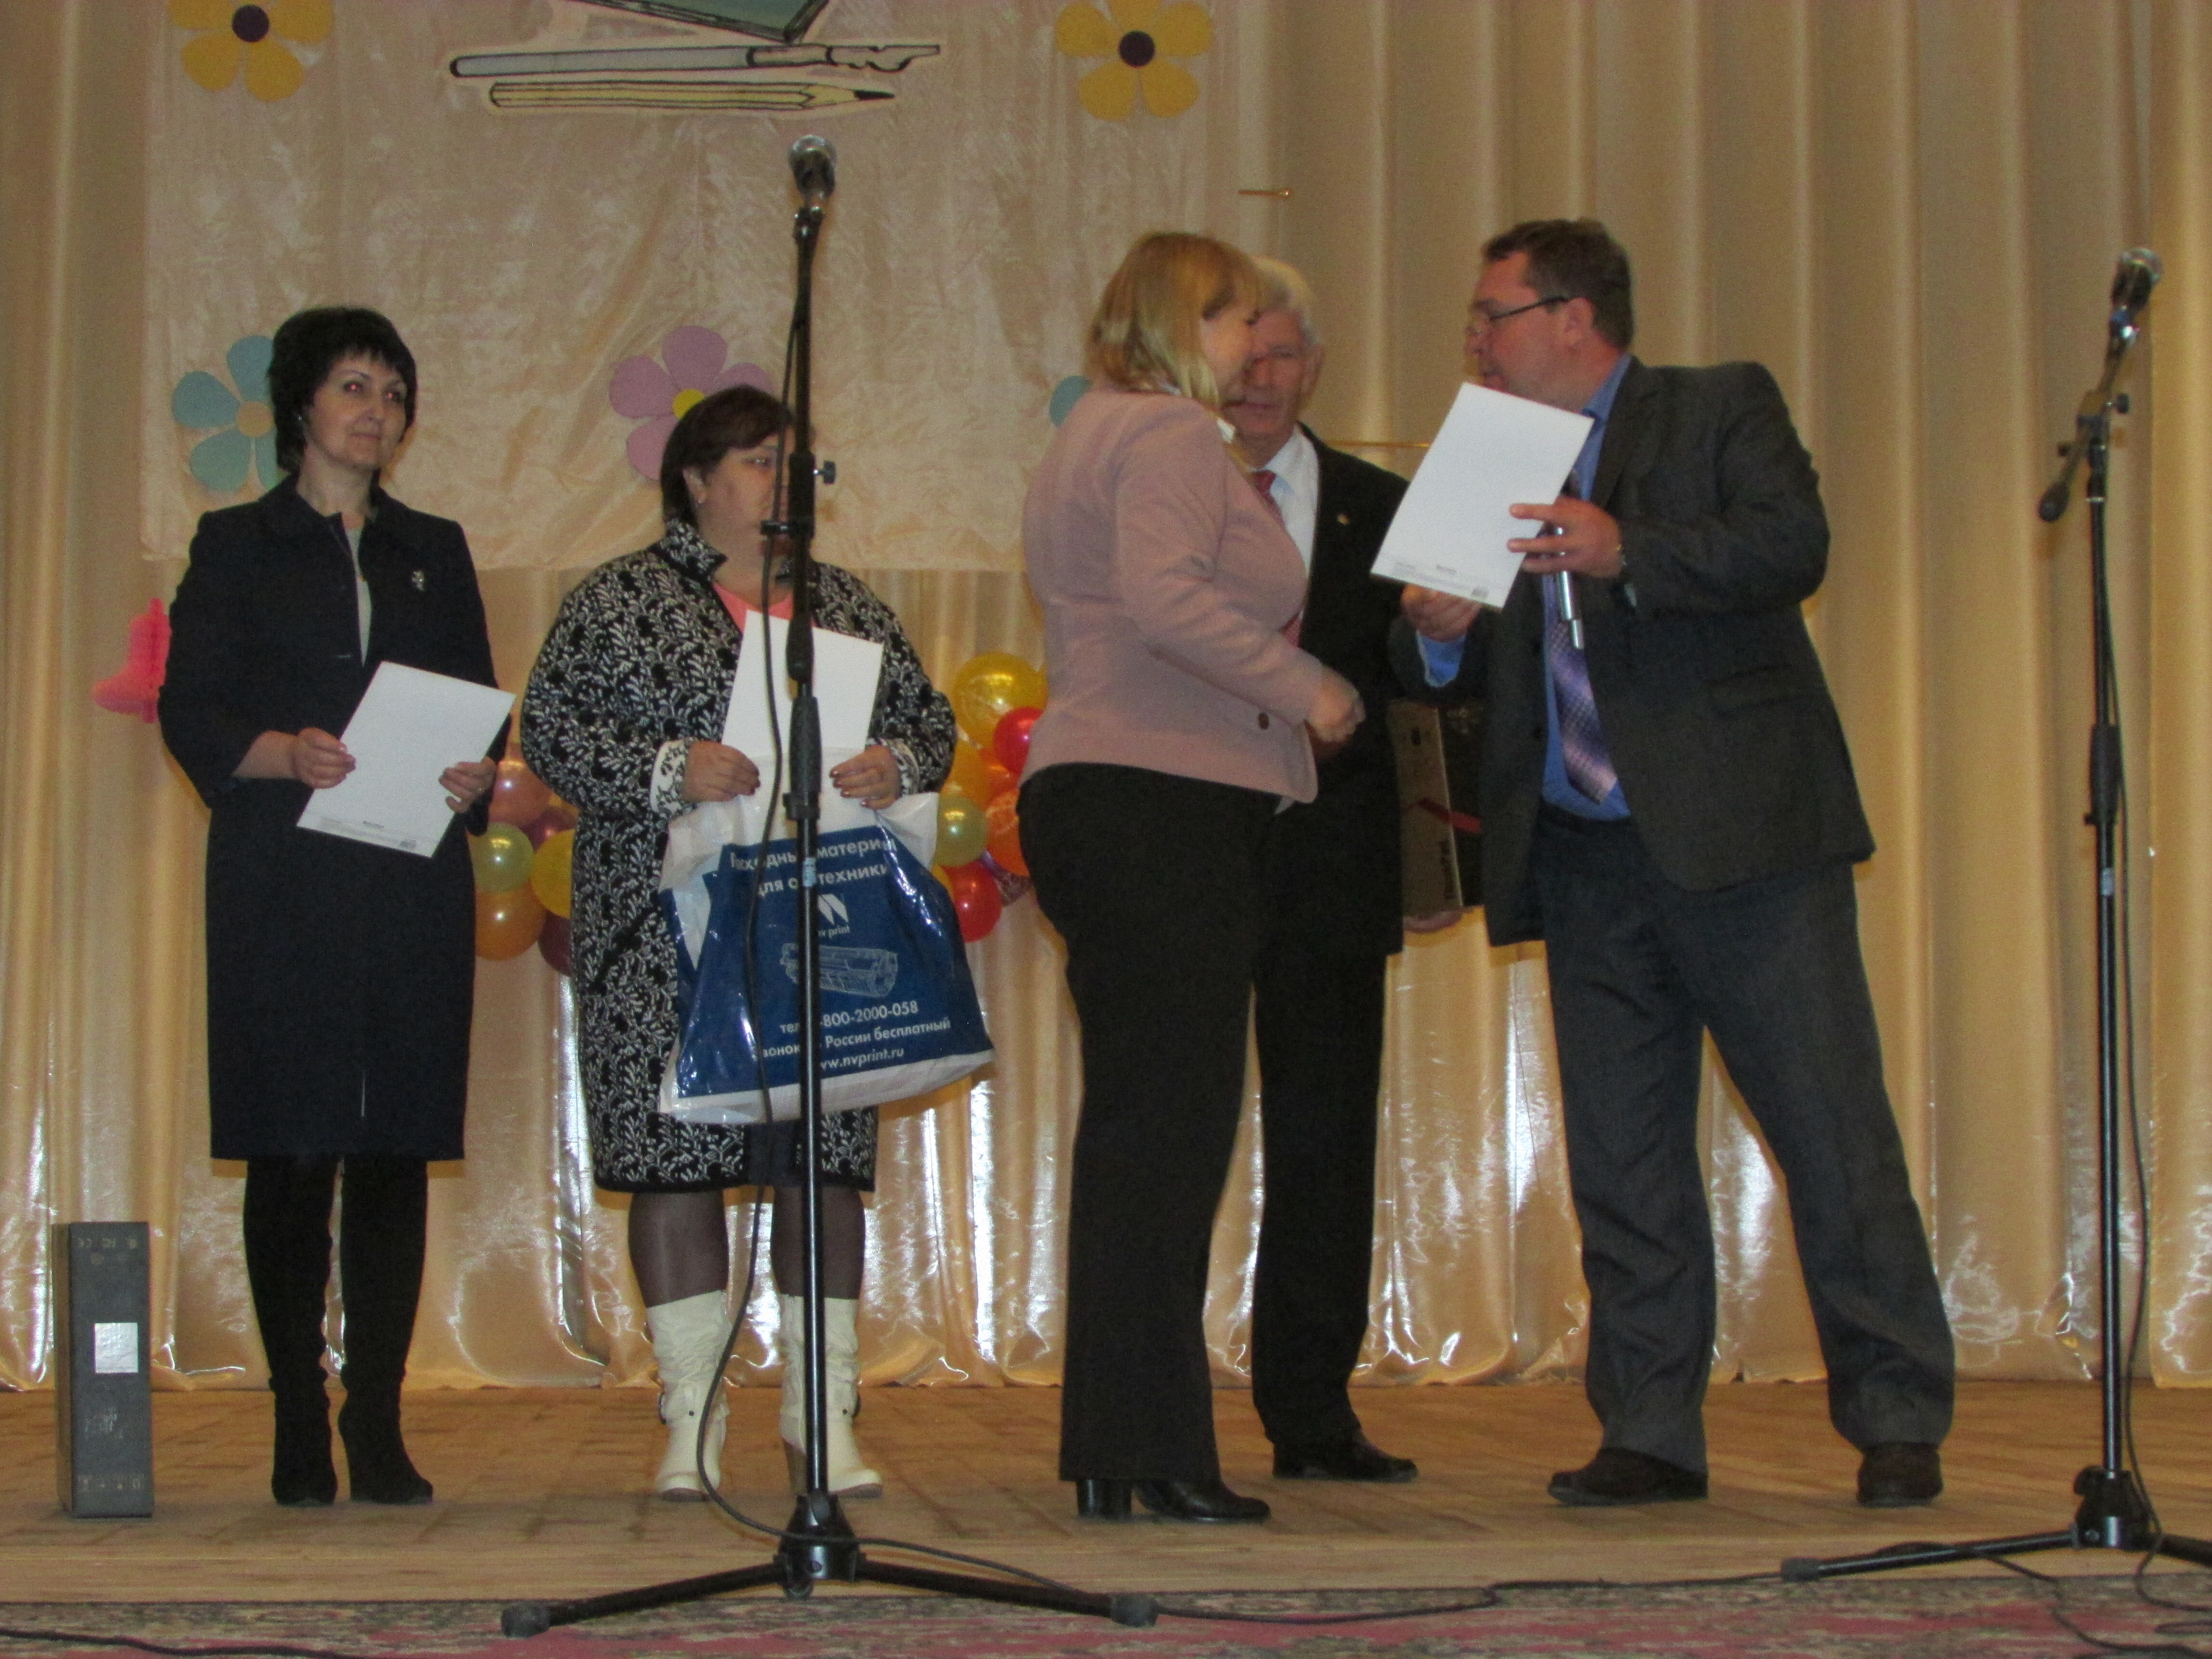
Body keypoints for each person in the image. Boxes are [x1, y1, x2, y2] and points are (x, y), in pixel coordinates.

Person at [1395, 219, 1955, 1509]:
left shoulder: (1716, 406)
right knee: (1623, 1158)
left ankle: (1895, 1413)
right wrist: (1435, 632)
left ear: (1574, 317)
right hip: (1583, 856)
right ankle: (1648, 1431)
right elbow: (1441, 671)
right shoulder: (1480, 456)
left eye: (1493, 314)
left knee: (1830, 1131)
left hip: (1745, 842)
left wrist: (1627, 548)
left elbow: (1792, 544)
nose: (1475, 340)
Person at [520, 385, 955, 1503]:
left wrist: (896, 764)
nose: (785, 482)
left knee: (820, 1161)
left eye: (797, 464)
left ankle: (824, 1418)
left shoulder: (845, 606)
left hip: (820, 927)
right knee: (673, 1161)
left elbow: (933, 723)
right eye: (762, 460)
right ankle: (691, 1418)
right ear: (697, 480)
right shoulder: (618, 599)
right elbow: (554, 729)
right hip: (658, 931)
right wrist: (671, 767)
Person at [1021, 231, 1365, 1524]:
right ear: (1180, 320)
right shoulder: (1168, 431)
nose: (1252, 341)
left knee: (1141, 1131)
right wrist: (1311, 688)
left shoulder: (1096, 428)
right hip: (1160, 799)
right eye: (1232, 317)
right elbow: (1166, 599)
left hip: (1111, 795)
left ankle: (1128, 1446)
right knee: (1168, 1133)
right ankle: (1149, 1449)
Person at [160, 306, 500, 1507]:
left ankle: (380, 1417)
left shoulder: (433, 546)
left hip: (408, 873)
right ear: (300, 403)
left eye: (394, 394)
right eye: (355, 387)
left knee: (395, 1144)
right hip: (284, 875)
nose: (377, 411)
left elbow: (477, 702)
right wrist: (281, 753)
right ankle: (299, 1417)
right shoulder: (234, 542)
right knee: (296, 1144)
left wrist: (476, 774)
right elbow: (191, 706)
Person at [1221, 257, 1426, 1485]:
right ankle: (1150, 1409)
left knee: (1326, 1142)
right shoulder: (1165, 490)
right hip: (1191, 848)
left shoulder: (1386, 508)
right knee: (1174, 1135)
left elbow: (1432, 686)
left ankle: (1311, 1414)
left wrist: (1448, 639)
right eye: (1241, 353)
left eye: (1282, 354)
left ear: (1316, 369)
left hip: (1336, 861)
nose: (1259, 376)